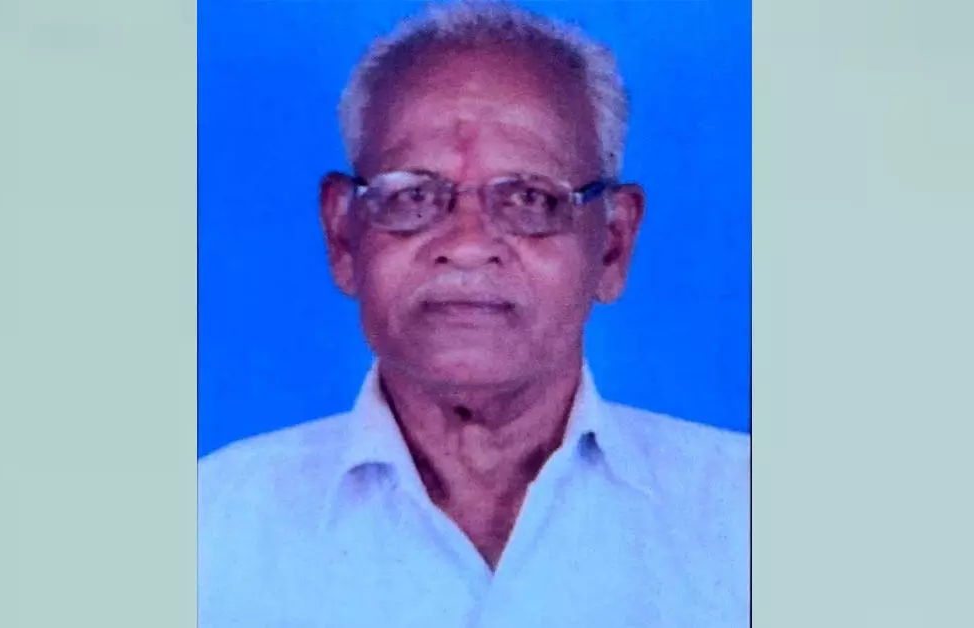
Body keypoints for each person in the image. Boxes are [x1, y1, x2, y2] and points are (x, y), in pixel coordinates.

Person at [198, 2, 749, 626]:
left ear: (613, 245)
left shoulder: (747, 519)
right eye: (412, 195)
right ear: (344, 236)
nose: (466, 244)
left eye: (531, 198)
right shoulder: (208, 530)